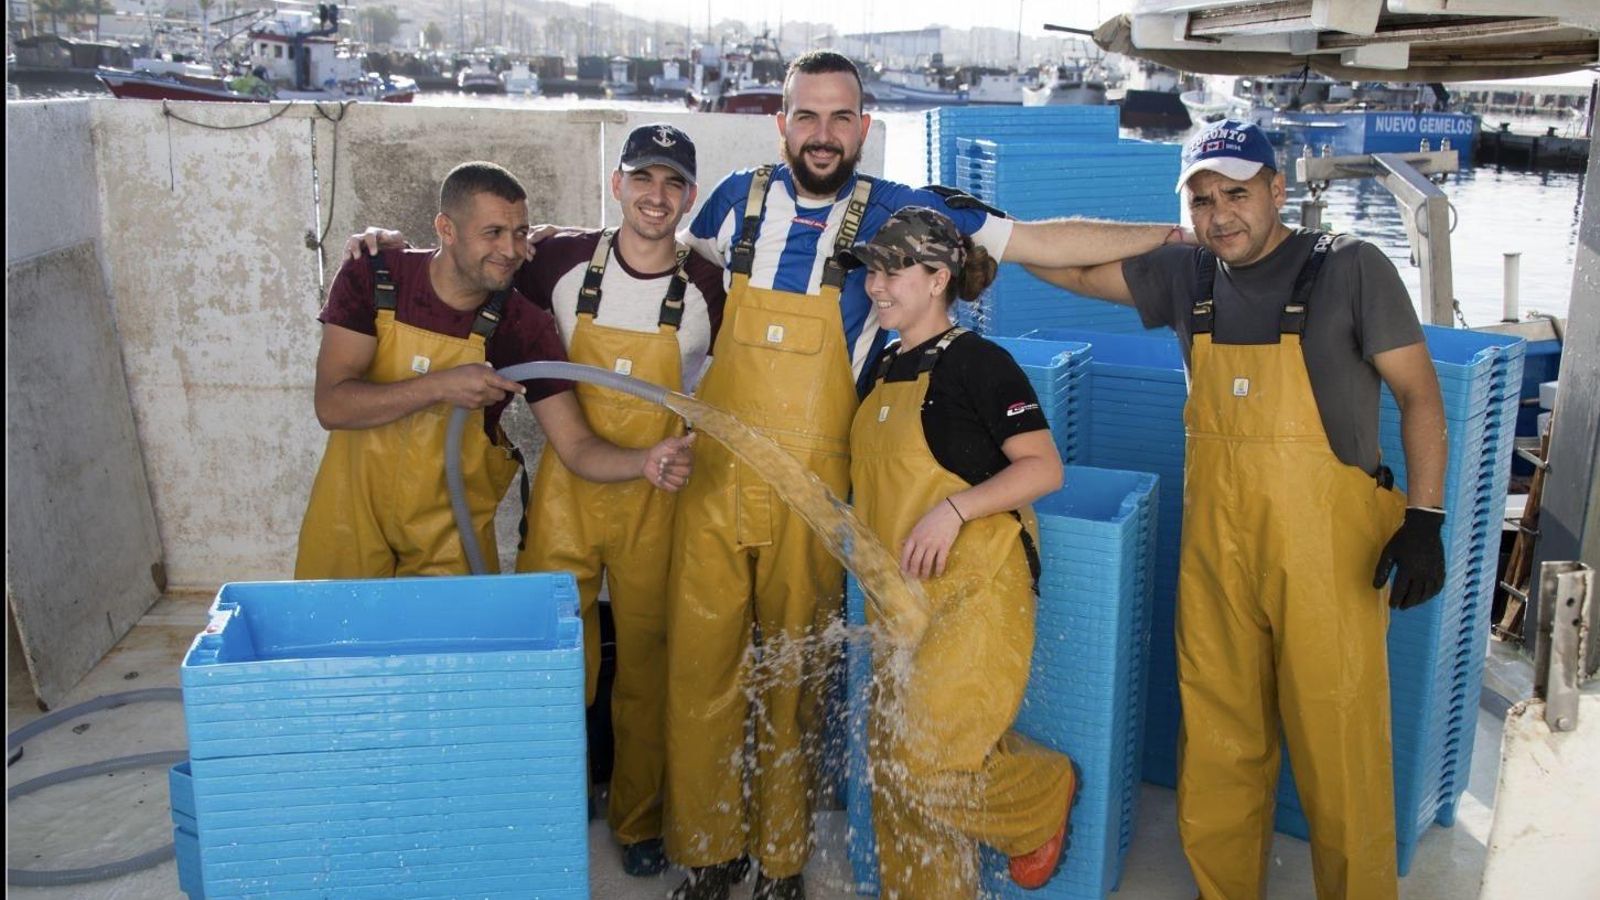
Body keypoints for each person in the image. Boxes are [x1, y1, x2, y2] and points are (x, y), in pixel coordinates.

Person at [661, 50, 1191, 900]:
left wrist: (1169, 238)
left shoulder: (910, 216)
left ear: (864, 126)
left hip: (818, 501)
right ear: (781, 123)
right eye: (807, 116)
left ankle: (782, 862)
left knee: (799, 689)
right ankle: (709, 849)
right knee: (701, 675)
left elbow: (1039, 242)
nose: (823, 134)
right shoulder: (734, 202)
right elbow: (660, 272)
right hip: (721, 483)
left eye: (841, 117)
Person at [1025, 120, 1448, 900]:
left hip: (1329, 558)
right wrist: (988, 233)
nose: (1222, 214)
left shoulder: (1350, 267)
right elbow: (1071, 268)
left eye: (1238, 193)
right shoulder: (1188, 275)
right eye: (1203, 199)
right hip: (1218, 554)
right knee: (1219, 739)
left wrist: (1425, 518)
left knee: (1341, 746)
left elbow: (1420, 395)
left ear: (1277, 190)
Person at [296, 161, 694, 580]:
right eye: (493, 233)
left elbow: (577, 446)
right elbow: (333, 406)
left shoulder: (521, 325)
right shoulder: (375, 276)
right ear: (446, 229)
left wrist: (644, 461)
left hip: (450, 540)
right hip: (347, 525)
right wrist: (440, 387)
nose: (511, 250)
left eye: (520, 233)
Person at [841, 207, 1077, 897]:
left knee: (928, 764)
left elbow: (1043, 468)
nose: (876, 286)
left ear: (939, 277)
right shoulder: (883, 366)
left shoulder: (978, 362)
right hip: (900, 595)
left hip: (975, 591)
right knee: (894, 769)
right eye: (872, 272)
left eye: (894, 271)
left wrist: (953, 509)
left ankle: (1039, 793)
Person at [511, 124, 726, 878]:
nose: (655, 196)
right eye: (642, 178)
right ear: (616, 185)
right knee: (552, 662)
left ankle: (638, 821)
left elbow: (734, 383)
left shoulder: (711, 286)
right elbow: (473, 270)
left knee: (647, 668)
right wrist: (379, 247)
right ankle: (551, 806)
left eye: (672, 183)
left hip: (657, 499)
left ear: (690, 198)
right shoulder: (559, 260)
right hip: (565, 496)